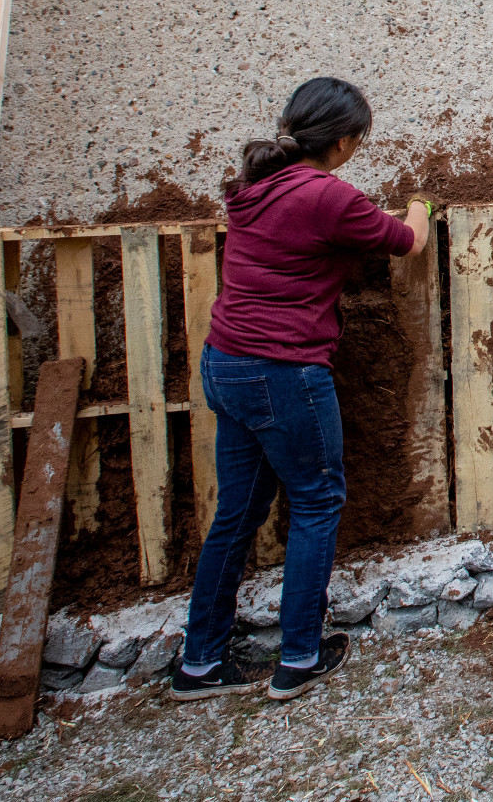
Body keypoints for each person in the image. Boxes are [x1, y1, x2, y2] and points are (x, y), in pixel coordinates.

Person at [173, 77, 433, 703]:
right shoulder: (326, 196)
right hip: (283, 372)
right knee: (316, 503)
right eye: (359, 139)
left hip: (226, 363)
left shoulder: (254, 187)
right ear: (343, 141)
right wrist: (421, 204)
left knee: (236, 514)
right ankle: (300, 657)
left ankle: (200, 662)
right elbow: (407, 241)